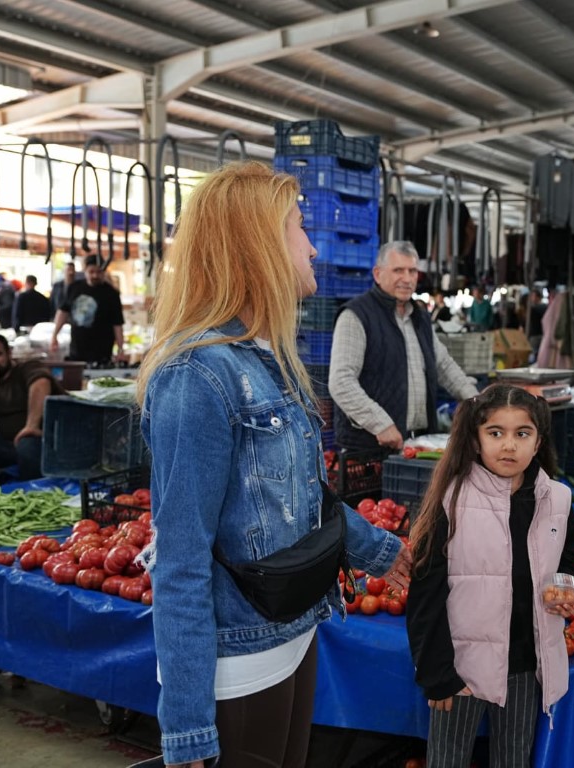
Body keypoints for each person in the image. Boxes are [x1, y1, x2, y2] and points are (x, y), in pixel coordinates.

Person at [135, 162, 412, 768]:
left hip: (295, 631)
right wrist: (187, 727)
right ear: (257, 243)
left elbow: (305, 497)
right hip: (237, 663)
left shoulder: (269, 359)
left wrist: (381, 552)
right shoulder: (196, 375)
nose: (312, 246)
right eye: (299, 227)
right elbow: (180, 558)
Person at [406, 384, 574, 768]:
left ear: (538, 442)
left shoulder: (557, 499)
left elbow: (568, 558)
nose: (509, 445)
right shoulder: (451, 500)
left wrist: (567, 588)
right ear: (476, 439)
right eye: (496, 433)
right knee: (448, 760)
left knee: (514, 759)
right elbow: (425, 594)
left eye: (522, 433)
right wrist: (438, 674)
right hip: (462, 669)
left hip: (527, 667)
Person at [329, 241, 479, 457]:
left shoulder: (420, 317)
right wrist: (379, 423)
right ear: (378, 274)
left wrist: (476, 401)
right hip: (371, 449)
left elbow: (444, 366)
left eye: (412, 271)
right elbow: (341, 382)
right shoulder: (356, 316)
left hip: (419, 445)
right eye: (398, 270)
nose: (407, 279)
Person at [0, 333, 65, 481]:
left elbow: (40, 383)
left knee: (27, 443)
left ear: (9, 354)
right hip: (9, 442)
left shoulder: (27, 367)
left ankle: (34, 490)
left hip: (48, 442)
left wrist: (31, 426)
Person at [50, 256, 125, 365]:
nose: (95, 275)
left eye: (99, 272)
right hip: (77, 348)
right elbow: (63, 312)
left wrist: (120, 348)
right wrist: (54, 335)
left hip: (102, 351)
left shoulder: (111, 293)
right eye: (91, 272)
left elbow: (117, 324)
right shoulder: (74, 288)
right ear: (85, 271)